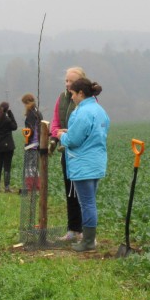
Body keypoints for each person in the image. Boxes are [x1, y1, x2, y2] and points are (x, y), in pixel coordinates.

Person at [57, 78, 110, 252]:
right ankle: (89, 240)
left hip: (83, 164)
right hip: (96, 162)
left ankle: (88, 242)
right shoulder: (99, 110)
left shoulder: (83, 112)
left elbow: (73, 139)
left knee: (86, 203)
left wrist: (61, 136)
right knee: (90, 202)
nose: (71, 97)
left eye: (72, 94)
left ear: (81, 93)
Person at [50, 67, 87, 241]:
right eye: (66, 80)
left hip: (81, 152)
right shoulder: (62, 98)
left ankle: (85, 232)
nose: (67, 84)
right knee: (70, 191)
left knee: (82, 192)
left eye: (71, 81)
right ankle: (73, 229)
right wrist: (56, 135)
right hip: (66, 150)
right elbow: (56, 121)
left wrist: (68, 134)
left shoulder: (86, 99)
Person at [0, 102, 17, 192]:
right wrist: (11, 114)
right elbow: (15, 127)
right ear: (7, 109)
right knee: (7, 166)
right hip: (8, 146)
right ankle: (7, 187)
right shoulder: (8, 120)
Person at [22, 93, 43, 191]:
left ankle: (30, 186)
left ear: (27, 103)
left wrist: (27, 140)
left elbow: (30, 129)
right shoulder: (38, 112)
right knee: (34, 166)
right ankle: (37, 186)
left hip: (31, 144)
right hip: (37, 143)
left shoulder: (30, 113)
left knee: (29, 166)